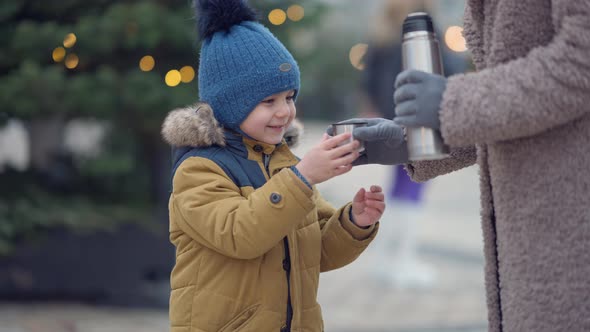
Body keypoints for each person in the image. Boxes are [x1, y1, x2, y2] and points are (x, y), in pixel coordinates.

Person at [337, 1, 590, 331]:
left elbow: (580, 61)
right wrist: (408, 142)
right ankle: (394, 260)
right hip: (533, 239)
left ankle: (396, 260)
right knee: (403, 195)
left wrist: (449, 104)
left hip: (569, 225)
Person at [161, 1, 384, 331]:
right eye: (269, 101)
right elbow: (242, 234)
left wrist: (353, 223)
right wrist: (303, 176)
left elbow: (315, 253)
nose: (285, 112)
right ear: (229, 105)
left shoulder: (282, 164)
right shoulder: (199, 169)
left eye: (289, 97)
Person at [359, 0, 467, 288]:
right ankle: (402, 261)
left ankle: (385, 260)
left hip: (391, 118)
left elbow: (368, 80)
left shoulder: (382, 33)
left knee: (398, 188)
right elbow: (450, 69)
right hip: (419, 119)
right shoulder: (423, 30)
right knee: (412, 188)